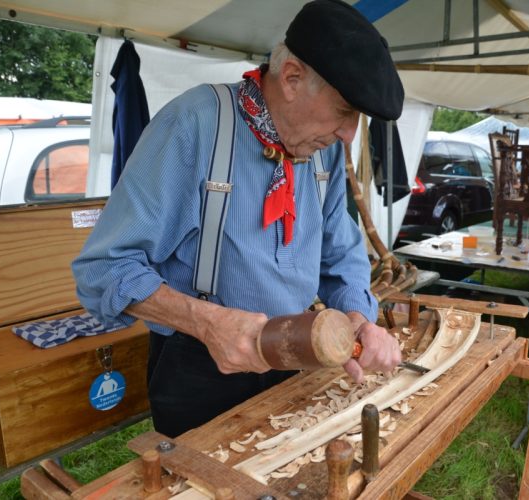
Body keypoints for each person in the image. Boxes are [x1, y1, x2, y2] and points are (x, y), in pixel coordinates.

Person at [72, 0, 405, 437]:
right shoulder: (194, 125)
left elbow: (340, 257)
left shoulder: (321, 152)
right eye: (345, 112)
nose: (349, 134)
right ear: (291, 78)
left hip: (297, 355)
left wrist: (361, 319)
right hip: (201, 366)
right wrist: (207, 322)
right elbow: (104, 268)